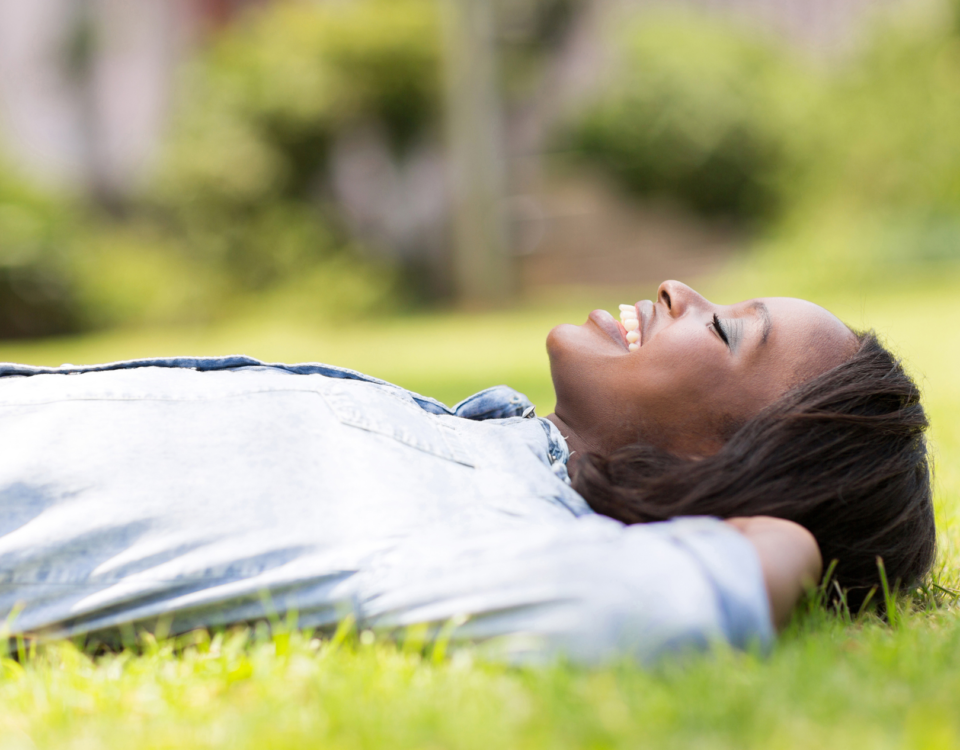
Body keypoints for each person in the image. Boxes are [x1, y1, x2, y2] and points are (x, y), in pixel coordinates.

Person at [0, 281, 935, 664]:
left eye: (727, 331)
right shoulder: (481, 456)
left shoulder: (494, 534)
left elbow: (698, 590)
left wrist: (789, 526)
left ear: (720, 466)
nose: (678, 292)